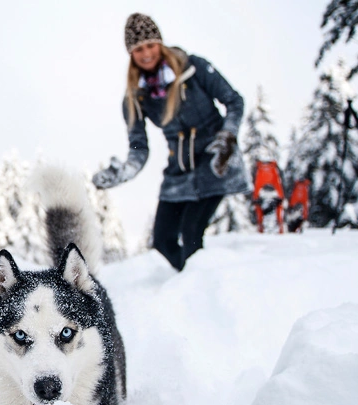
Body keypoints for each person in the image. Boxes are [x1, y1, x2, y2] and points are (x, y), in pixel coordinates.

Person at [93, 13, 250, 271]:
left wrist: (228, 135)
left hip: (215, 158)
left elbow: (234, 101)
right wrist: (125, 170)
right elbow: (138, 146)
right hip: (179, 169)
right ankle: (192, 280)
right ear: (131, 54)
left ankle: (205, 287)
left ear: (161, 44)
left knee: (191, 232)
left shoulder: (194, 68)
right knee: (163, 241)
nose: (146, 54)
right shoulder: (135, 98)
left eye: (150, 45)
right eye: (138, 49)